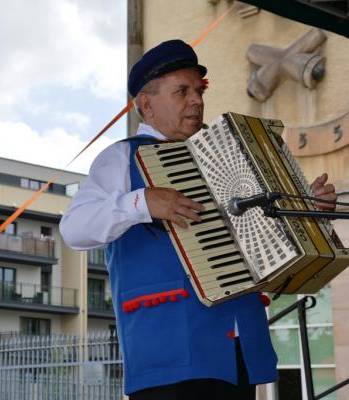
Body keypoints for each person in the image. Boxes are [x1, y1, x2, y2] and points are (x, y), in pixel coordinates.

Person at [59, 39, 337, 400]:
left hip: (240, 346)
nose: (197, 100)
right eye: (182, 91)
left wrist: (307, 209)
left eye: (199, 90)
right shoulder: (120, 159)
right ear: (147, 104)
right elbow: (73, 229)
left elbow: (264, 245)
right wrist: (141, 202)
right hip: (169, 350)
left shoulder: (223, 154)